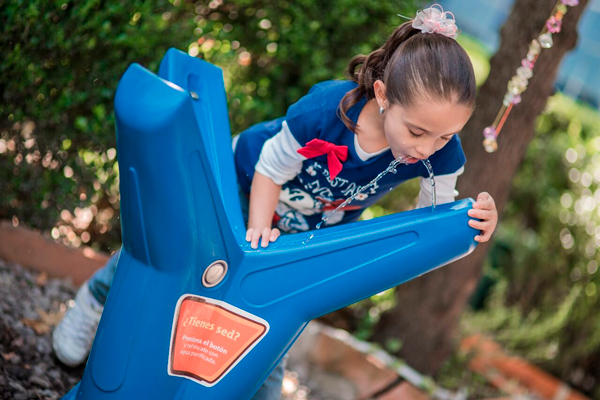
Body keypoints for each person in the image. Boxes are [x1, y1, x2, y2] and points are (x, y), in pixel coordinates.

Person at [52, 5, 498, 399]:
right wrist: (257, 230)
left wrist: (473, 223)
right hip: (242, 185)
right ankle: (96, 299)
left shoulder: (440, 154)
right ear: (382, 95)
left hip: (307, 226)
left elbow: (431, 223)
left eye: (445, 135)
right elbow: (269, 166)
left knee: (271, 321)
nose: (426, 148)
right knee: (175, 257)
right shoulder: (327, 110)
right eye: (418, 132)